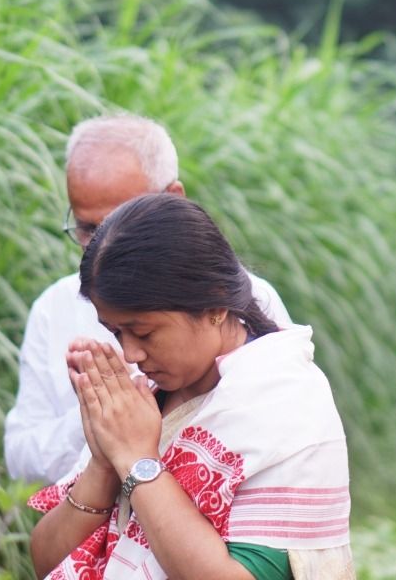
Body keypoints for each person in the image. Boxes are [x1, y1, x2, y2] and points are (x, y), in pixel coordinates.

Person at [28, 194, 352, 580]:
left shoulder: (286, 406)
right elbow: (46, 560)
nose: (130, 353)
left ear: (215, 304)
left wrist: (137, 463)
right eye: (116, 332)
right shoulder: (144, 397)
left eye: (143, 332)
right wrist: (103, 464)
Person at [5, 115, 291, 483]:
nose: (101, 245)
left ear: (173, 200)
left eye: (121, 223)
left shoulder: (245, 301)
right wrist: (103, 411)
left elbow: (273, 439)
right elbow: (21, 459)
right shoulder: (55, 308)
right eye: (87, 228)